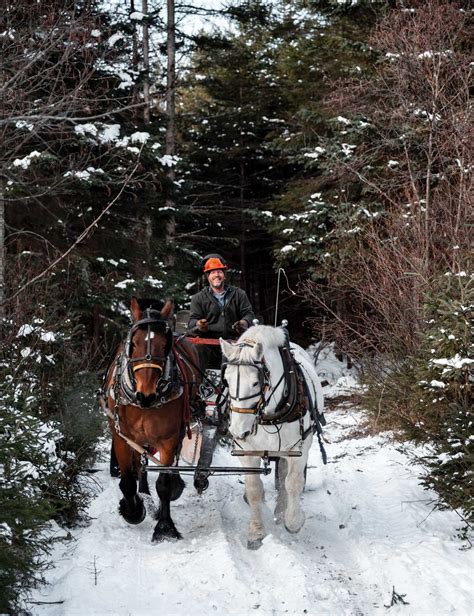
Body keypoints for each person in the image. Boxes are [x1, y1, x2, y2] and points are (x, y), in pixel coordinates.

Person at [188, 254, 255, 370]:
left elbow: (248, 314)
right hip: (208, 345)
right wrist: (199, 325)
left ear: (224, 275)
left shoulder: (239, 294)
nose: (216, 275)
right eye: (212, 272)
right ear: (208, 276)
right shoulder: (198, 298)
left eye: (219, 271)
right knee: (197, 349)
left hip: (234, 344)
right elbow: (192, 321)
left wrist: (244, 322)